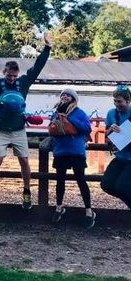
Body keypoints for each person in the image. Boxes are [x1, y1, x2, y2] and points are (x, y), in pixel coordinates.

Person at [0, 33, 51, 209]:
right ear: (4, 72)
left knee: (24, 160)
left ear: (17, 74)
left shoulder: (24, 82)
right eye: (9, 76)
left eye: (14, 76)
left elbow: (37, 66)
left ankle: (27, 191)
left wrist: (47, 48)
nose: (12, 79)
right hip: (0, 129)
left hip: (18, 128)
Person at [49, 88, 95, 228]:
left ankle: (89, 211)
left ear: (73, 99)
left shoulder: (79, 113)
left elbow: (87, 128)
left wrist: (69, 120)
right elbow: (51, 128)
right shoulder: (56, 113)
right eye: (63, 94)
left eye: (68, 95)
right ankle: (59, 207)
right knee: (60, 180)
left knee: (81, 180)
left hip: (76, 151)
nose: (65, 96)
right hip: (61, 150)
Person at [100, 85, 131, 209]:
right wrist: (110, 130)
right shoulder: (111, 113)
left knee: (122, 187)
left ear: (128, 101)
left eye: (120, 102)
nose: (117, 104)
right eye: (115, 101)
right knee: (106, 184)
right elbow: (106, 134)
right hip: (120, 156)